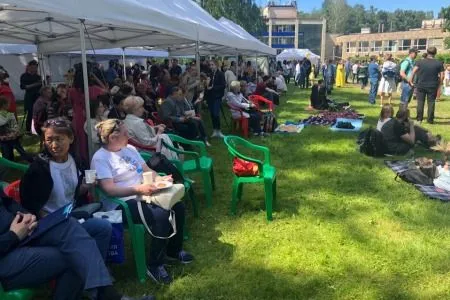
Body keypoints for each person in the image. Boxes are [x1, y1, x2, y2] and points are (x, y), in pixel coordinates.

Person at [92, 119, 193, 284]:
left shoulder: (129, 149)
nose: (129, 136)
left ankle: (173, 251)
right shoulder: (101, 158)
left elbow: (147, 171)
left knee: (178, 206)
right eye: (126, 133)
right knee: (161, 214)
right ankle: (154, 265)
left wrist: (160, 179)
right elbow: (109, 189)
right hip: (121, 203)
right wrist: (138, 190)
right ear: (112, 137)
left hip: (144, 193)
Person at [0, 192, 153, 300]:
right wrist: (13, 236)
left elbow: (7, 202)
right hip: (6, 254)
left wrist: (25, 215)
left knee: (76, 226)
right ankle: (106, 294)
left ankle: (102, 291)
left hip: (21, 235)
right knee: (74, 252)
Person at [69, 62, 107, 163]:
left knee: (80, 141)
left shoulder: (71, 90)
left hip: (77, 116)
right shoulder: (94, 89)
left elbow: (70, 103)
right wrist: (95, 78)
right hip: (90, 114)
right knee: (91, 138)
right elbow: (106, 90)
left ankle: (82, 159)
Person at [409, 47, 445, 124]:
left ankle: (419, 119)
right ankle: (430, 120)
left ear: (427, 52)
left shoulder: (420, 62)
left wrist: (410, 81)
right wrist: (440, 84)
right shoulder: (439, 63)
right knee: (431, 102)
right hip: (433, 86)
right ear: (435, 53)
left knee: (420, 102)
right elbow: (442, 76)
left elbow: (413, 71)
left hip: (421, 85)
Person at [0, 96, 32, 162]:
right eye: (8, 104)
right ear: (4, 105)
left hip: (3, 138)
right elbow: (15, 126)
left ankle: (9, 162)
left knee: (6, 152)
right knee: (20, 150)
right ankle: (29, 160)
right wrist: (16, 133)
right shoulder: (10, 115)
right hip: (13, 137)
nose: (9, 105)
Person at [205, 60, 226, 138]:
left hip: (217, 96)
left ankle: (219, 130)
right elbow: (207, 87)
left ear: (216, 65)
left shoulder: (220, 74)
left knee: (216, 113)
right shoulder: (209, 74)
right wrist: (206, 84)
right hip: (210, 97)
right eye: (210, 65)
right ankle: (214, 130)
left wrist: (213, 87)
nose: (211, 66)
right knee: (212, 114)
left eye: (212, 65)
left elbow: (223, 85)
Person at [20, 60, 42, 133]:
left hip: (38, 96)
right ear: (29, 67)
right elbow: (23, 87)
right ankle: (28, 130)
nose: (34, 69)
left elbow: (41, 86)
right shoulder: (24, 76)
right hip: (29, 97)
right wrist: (35, 84)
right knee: (30, 113)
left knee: (39, 113)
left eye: (35, 67)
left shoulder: (38, 76)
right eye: (32, 67)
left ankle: (37, 129)